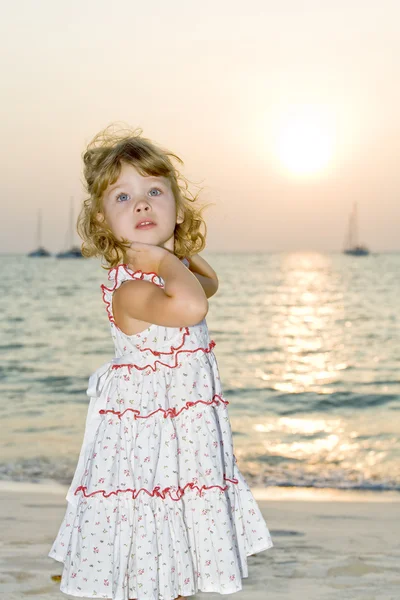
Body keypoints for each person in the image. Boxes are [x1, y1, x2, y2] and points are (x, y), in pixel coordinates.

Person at [48, 124, 273, 600]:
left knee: (180, 556)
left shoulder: (166, 275)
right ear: (104, 223)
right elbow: (194, 306)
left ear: (176, 206)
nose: (142, 204)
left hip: (180, 438)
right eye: (123, 198)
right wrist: (159, 261)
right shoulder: (132, 287)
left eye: (154, 191)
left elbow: (207, 285)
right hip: (147, 446)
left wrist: (174, 252)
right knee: (153, 552)